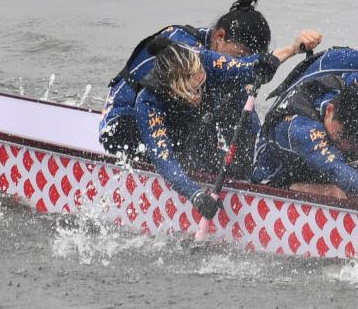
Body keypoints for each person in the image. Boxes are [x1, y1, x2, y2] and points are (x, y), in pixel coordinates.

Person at [99, 0, 309, 178]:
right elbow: (241, 67)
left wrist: (261, 153)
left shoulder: (220, 58)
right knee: (202, 156)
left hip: (177, 122)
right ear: (219, 36)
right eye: (240, 56)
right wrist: (291, 49)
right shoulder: (183, 46)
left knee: (240, 154)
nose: (239, 63)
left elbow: (246, 117)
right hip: (124, 125)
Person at [133, 32, 318, 219]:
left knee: (237, 97)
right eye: (193, 91)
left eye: (202, 84)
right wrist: (197, 196)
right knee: (193, 158)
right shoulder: (148, 102)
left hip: (205, 134)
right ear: (173, 91)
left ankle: (269, 175)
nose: (199, 94)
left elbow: (249, 66)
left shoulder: (205, 60)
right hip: (174, 152)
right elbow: (164, 160)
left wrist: (293, 48)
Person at [251, 72, 358, 208]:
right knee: (336, 194)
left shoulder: (347, 88)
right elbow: (333, 167)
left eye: (354, 142)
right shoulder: (300, 128)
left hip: (313, 170)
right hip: (271, 185)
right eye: (342, 135)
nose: (345, 146)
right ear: (329, 110)